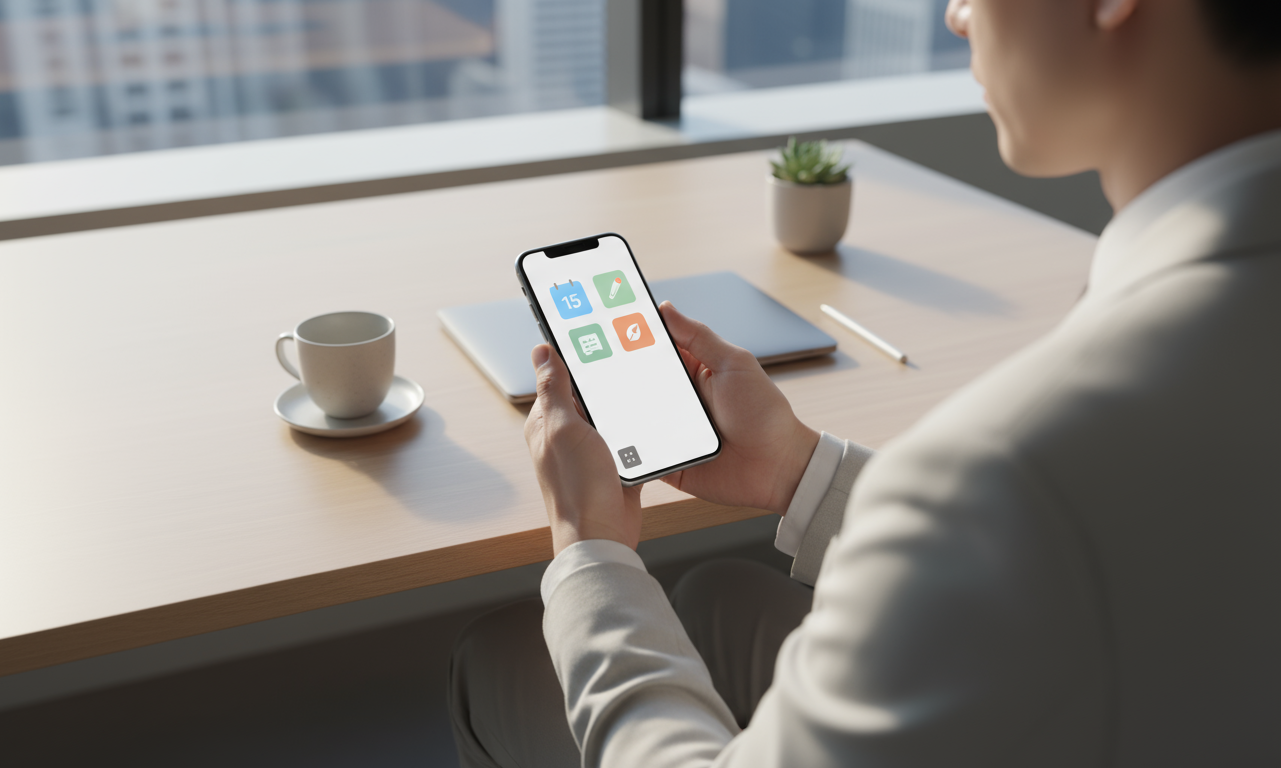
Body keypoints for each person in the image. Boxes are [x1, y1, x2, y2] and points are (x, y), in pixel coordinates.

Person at [449, 0, 1281, 764]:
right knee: (716, 599)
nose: (957, 15)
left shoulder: (1004, 468)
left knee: (504, 657)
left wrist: (590, 552)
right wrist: (799, 471)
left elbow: (1007, 513)